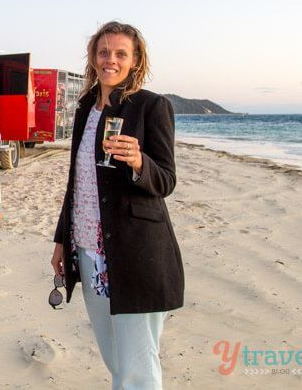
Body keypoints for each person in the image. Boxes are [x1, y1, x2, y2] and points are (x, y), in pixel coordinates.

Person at [50, 21, 183, 389]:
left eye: (121, 53)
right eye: (104, 51)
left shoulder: (151, 106)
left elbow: (166, 180)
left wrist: (140, 163)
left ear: (135, 59)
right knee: (116, 362)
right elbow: (76, 184)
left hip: (134, 251)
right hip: (89, 249)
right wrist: (63, 240)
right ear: (93, 57)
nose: (111, 60)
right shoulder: (84, 110)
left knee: (138, 368)